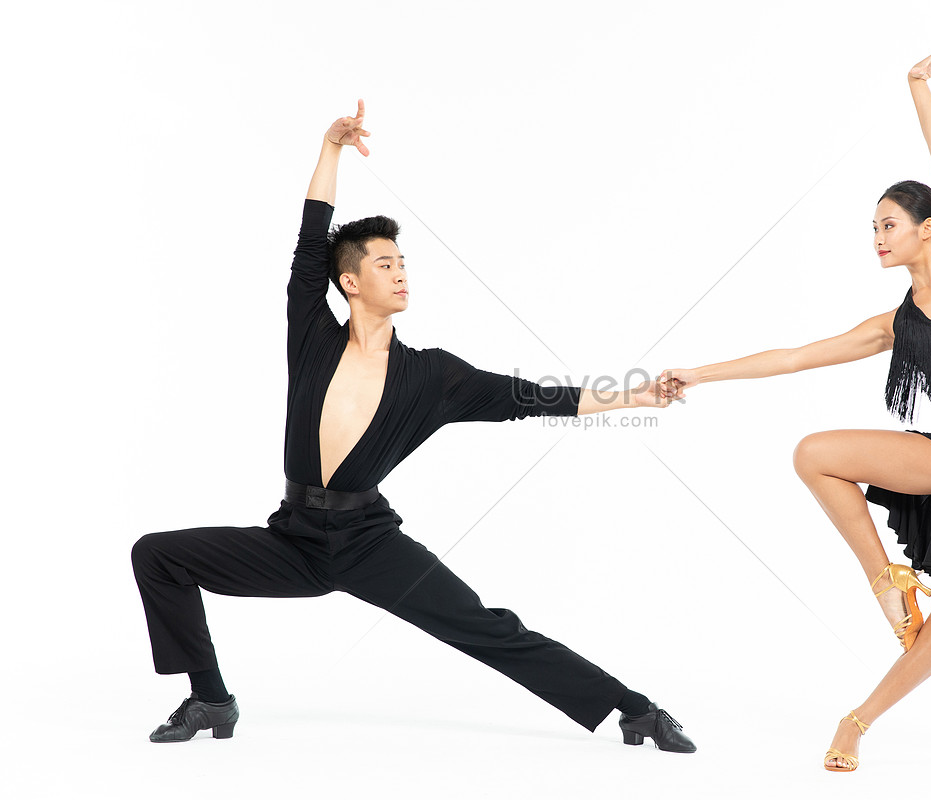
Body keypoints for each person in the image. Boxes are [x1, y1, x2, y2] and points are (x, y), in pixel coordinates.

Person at [131, 100, 696, 753]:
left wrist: (635, 396)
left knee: (487, 628)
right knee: (158, 554)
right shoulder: (311, 337)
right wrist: (332, 148)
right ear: (348, 281)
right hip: (293, 539)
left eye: (403, 263)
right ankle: (210, 699)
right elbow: (310, 240)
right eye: (383, 263)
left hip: (368, 543)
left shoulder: (434, 377)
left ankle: (635, 709)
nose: (400, 273)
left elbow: (538, 398)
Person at [657, 30, 931, 771]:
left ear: (927, 229)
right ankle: (888, 584)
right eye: (871, 227)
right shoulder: (893, 324)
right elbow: (794, 356)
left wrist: (919, 84)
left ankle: (856, 721)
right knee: (815, 454)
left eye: (887, 225)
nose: (876, 237)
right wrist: (699, 373)